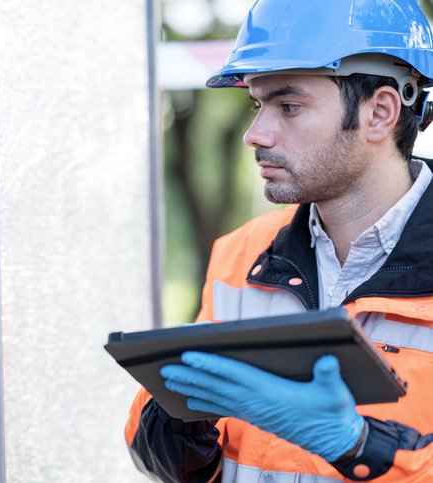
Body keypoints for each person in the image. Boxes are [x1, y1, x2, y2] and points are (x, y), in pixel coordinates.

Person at [126, 0, 433, 481]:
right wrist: (185, 423)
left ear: (380, 112)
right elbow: (157, 458)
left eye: (288, 106)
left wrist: (357, 445)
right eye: (258, 105)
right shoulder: (240, 253)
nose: (255, 133)